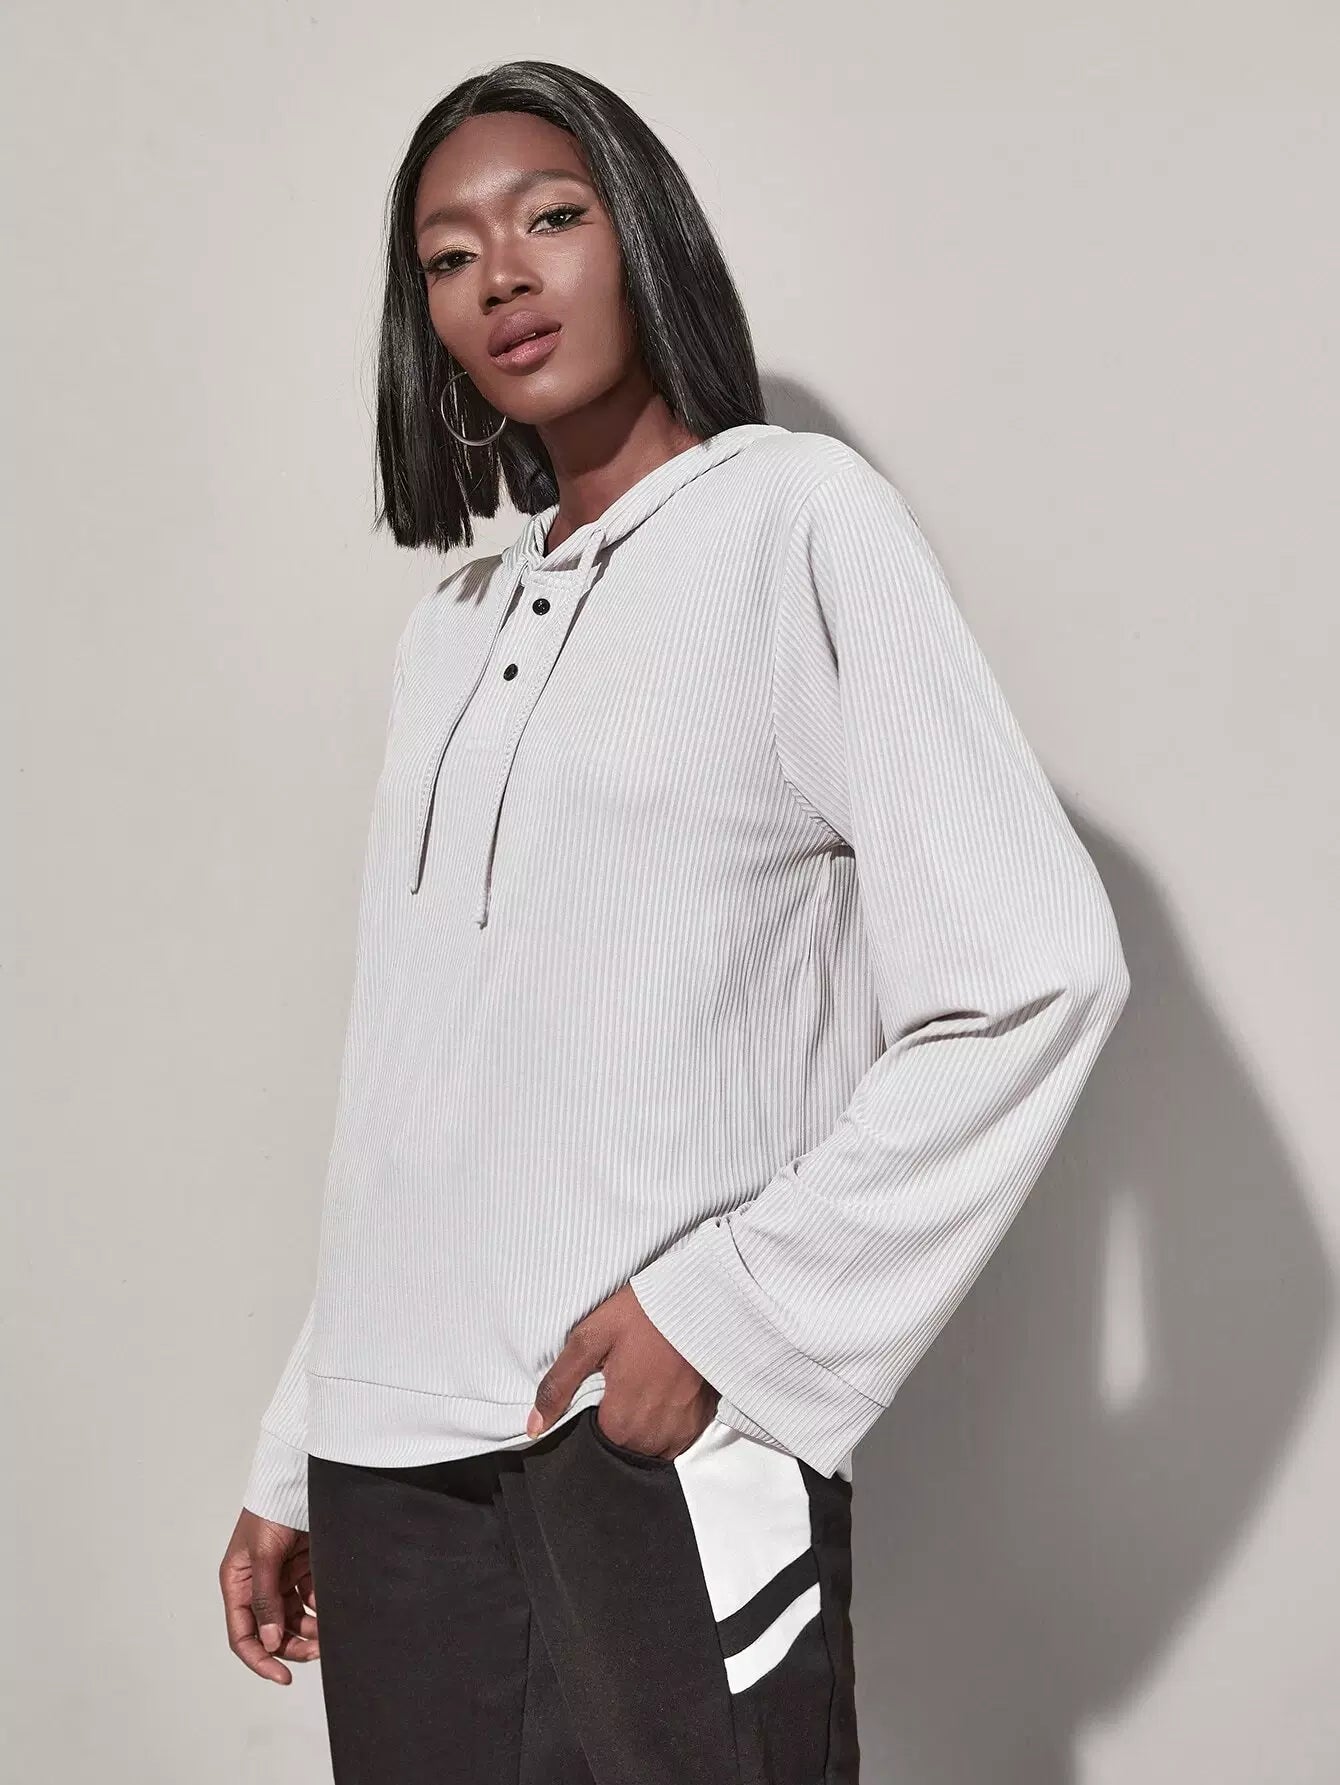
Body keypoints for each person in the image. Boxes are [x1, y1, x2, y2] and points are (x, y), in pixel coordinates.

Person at [217, 58, 1130, 1785]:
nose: (503, 275)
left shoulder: (796, 518)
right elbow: (418, 1078)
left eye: (552, 217)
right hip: (389, 1473)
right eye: (448, 256)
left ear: (642, 237)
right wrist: (298, 1436)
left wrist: (734, 1313)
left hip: (639, 1452)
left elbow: (1038, 971)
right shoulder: (448, 629)